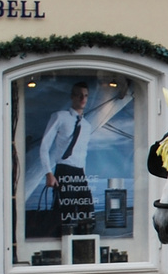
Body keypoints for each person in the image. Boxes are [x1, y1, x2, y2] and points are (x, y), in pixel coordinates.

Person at [38, 79, 131, 235]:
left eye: (86, 96)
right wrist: (49, 173)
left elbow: (83, 153)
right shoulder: (60, 117)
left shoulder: (87, 126)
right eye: (79, 95)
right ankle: (60, 241)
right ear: (72, 97)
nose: (83, 99)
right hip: (63, 170)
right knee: (63, 211)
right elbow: (44, 146)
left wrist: (84, 175)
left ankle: (84, 244)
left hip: (80, 173)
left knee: (87, 210)